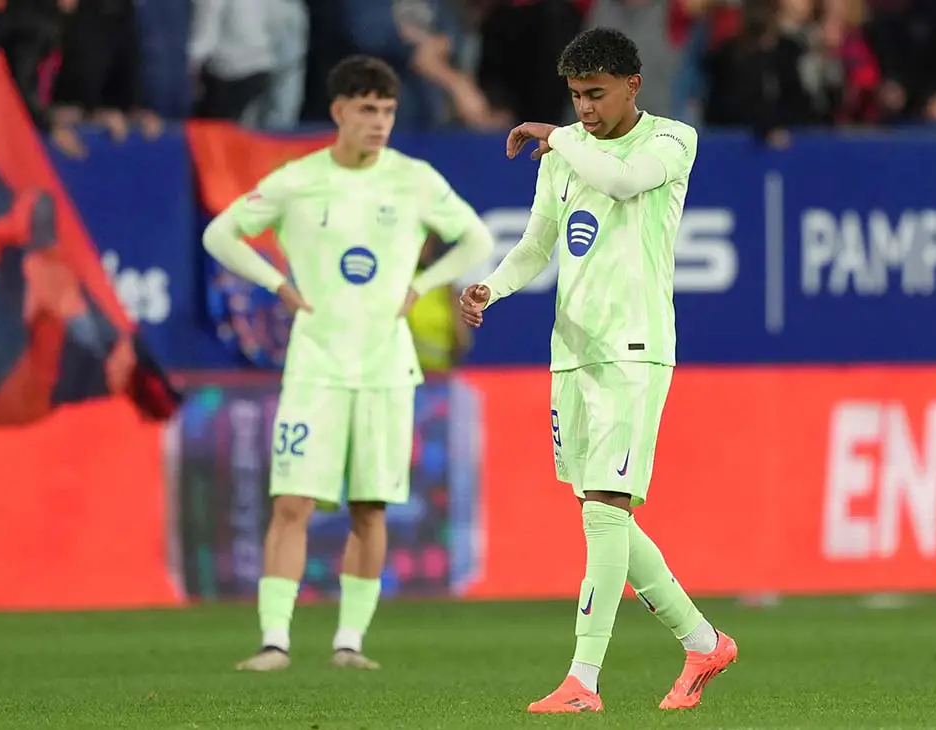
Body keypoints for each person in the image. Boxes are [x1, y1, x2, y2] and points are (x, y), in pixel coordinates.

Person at [459, 27, 737, 713]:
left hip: (636, 347)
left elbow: (620, 178)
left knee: (606, 509)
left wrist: (558, 136)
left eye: (596, 94)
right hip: (573, 351)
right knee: (600, 509)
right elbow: (535, 244)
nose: (584, 107)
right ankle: (703, 642)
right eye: (576, 96)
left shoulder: (670, 141)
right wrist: (490, 287)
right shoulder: (565, 153)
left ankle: (583, 680)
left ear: (632, 86)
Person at [202, 54, 495, 672]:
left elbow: (476, 238)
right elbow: (221, 234)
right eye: (367, 109)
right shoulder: (299, 179)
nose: (380, 121)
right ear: (339, 112)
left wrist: (424, 283)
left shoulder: (413, 179)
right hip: (314, 366)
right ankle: (274, 641)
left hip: (387, 369)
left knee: (370, 507)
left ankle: (349, 644)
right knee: (292, 504)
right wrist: (275, 283)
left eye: (387, 110)